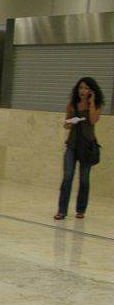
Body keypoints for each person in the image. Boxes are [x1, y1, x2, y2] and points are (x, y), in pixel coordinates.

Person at [54, 77, 104, 220]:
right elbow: (66, 124)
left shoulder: (96, 105)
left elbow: (93, 120)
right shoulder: (72, 104)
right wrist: (68, 124)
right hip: (72, 145)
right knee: (67, 177)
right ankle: (62, 210)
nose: (83, 91)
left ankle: (80, 209)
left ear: (91, 91)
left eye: (86, 88)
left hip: (87, 147)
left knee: (84, 180)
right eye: (81, 87)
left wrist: (92, 102)